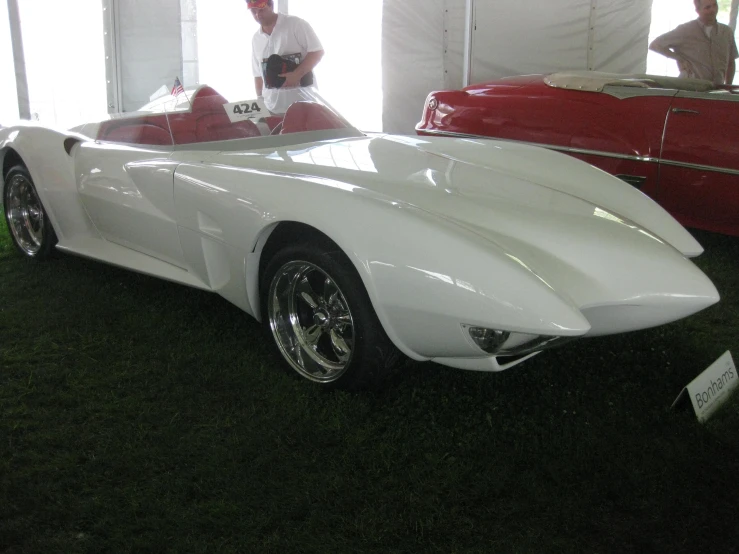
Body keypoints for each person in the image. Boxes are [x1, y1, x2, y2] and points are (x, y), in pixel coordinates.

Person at [247, 0, 325, 114]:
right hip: (272, 109)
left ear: (271, 5)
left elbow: (317, 52)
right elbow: (258, 75)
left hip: (304, 105)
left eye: (261, 10)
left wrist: (296, 75)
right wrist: (260, 104)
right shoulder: (256, 39)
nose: (258, 15)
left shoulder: (295, 24)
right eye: (253, 11)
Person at [649, 0, 738, 85]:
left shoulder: (726, 32)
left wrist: (728, 86)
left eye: (715, 5)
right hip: (691, 89)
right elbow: (655, 44)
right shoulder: (685, 30)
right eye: (707, 7)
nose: (713, 10)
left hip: (717, 90)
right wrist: (679, 58)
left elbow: (731, 61)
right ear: (697, 10)